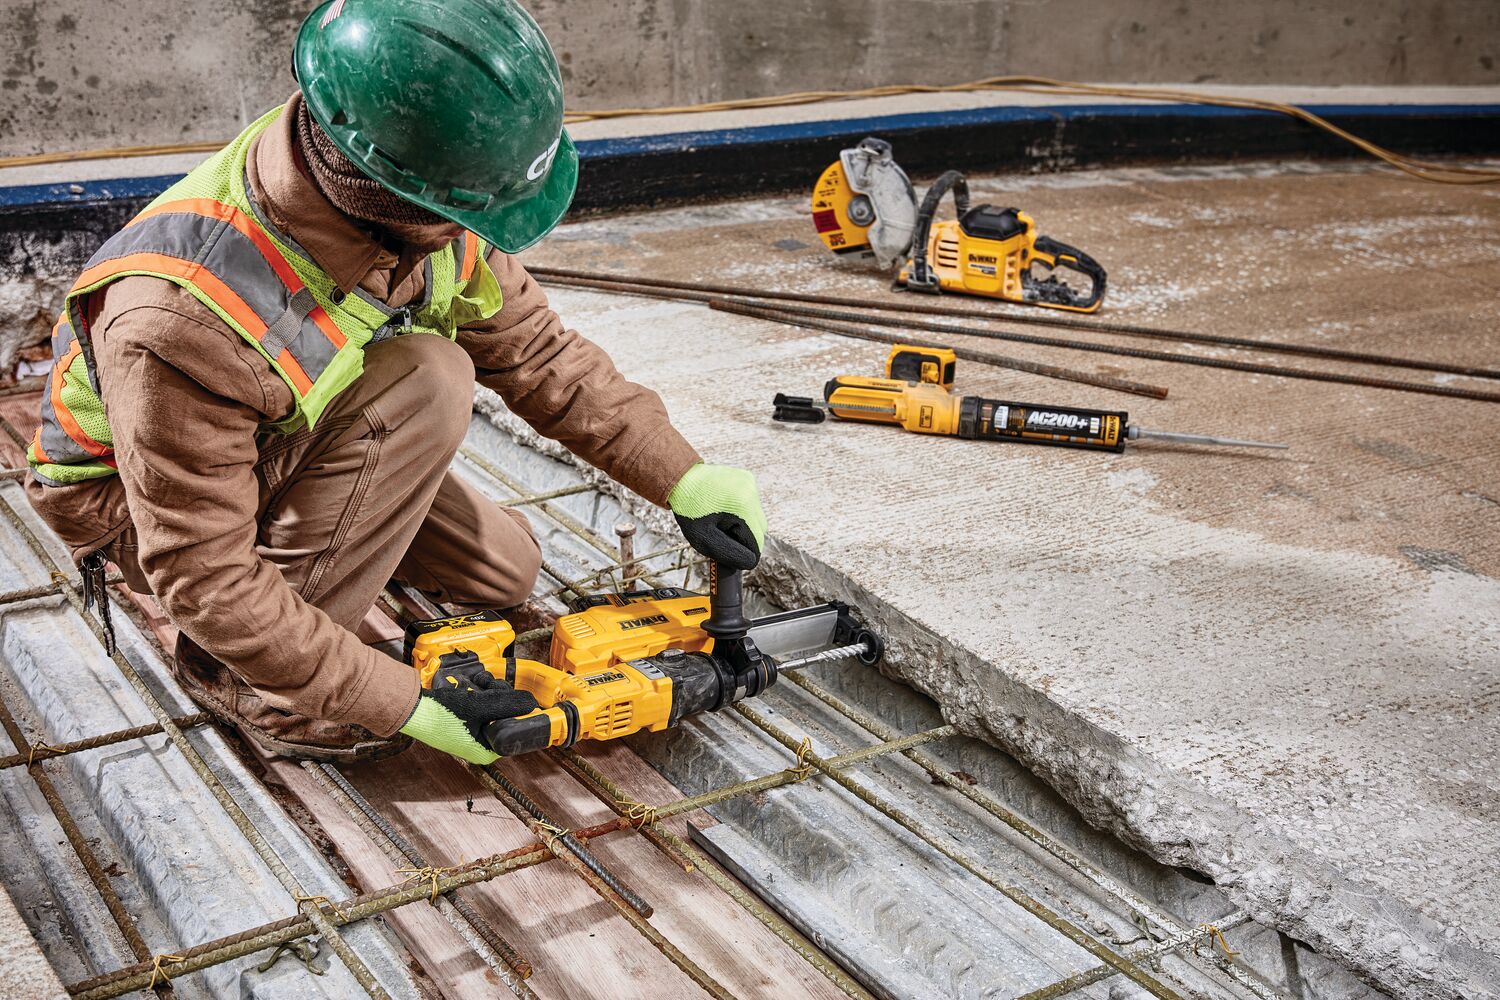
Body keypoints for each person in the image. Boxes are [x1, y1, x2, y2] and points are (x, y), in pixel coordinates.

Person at [24, 0, 765, 765]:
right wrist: (398, 701)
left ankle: (317, 578)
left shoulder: (419, 200)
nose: (479, 236)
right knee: (429, 375)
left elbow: (537, 355)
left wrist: (683, 475)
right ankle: (257, 691)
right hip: (126, 499)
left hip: (274, 427)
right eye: (466, 216)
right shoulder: (183, 316)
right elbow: (202, 576)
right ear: (389, 193)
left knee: (506, 569)